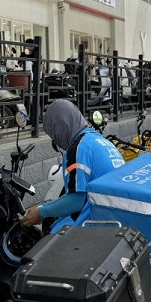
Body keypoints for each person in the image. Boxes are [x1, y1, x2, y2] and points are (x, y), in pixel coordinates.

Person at [19, 99, 125, 233]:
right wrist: (45, 208)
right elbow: (78, 194)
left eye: (53, 134)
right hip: (115, 215)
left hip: (97, 222)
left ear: (60, 127)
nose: (55, 140)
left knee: (51, 238)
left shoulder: (78, 147)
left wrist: (41, 212)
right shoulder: (97, 139)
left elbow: (76, 201)